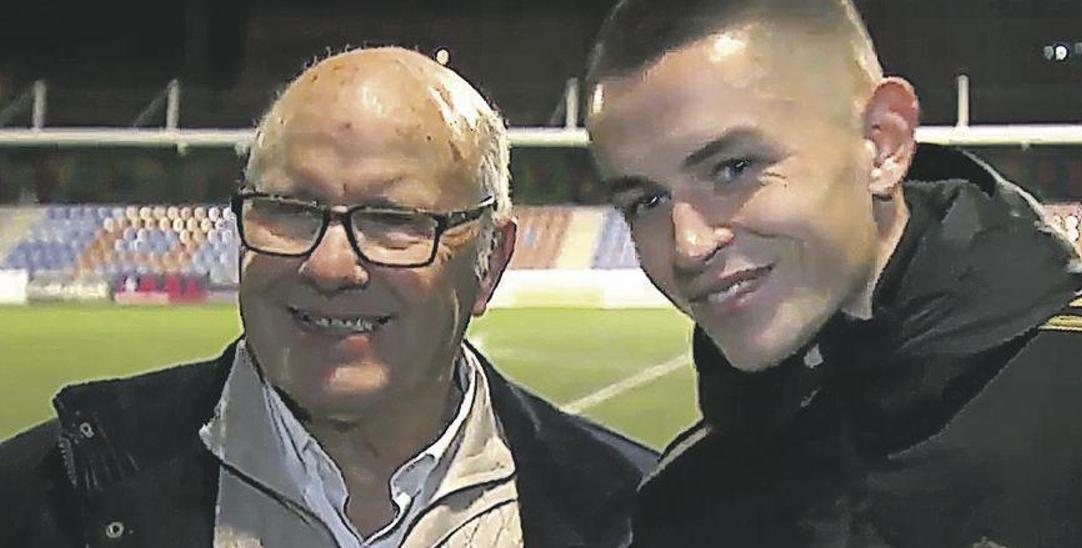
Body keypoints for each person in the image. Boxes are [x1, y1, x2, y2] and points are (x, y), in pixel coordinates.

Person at [584, 1, 1082, 545]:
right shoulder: (687, 498)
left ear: (882, 144)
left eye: (732, 168)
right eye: (645, 200)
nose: (687, 244)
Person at [0, 47, 655, 548]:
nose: (331, 264)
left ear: (490, 263)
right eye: (288, 209)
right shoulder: (41, 498)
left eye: (394, 220)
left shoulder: (641, 515)